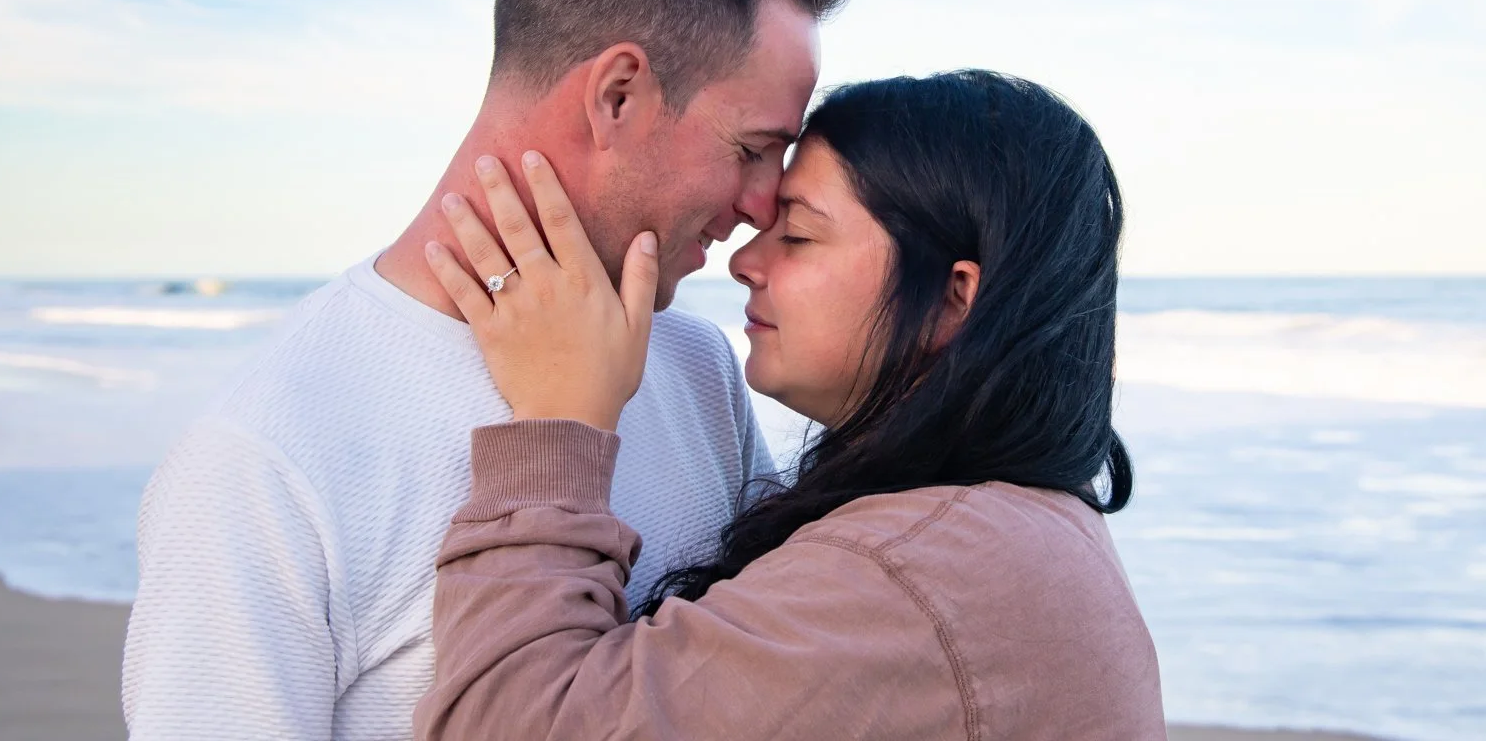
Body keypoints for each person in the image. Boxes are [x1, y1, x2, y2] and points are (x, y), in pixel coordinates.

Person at [121, 0, 852, 740]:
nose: (764, 203)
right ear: (618, 94)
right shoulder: (266, 455)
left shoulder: (696, 367)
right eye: (752, 147)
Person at [414, 70, 1167, 740]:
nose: (746, 260)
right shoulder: (1006, 530)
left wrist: (559, 420)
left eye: (799, 235)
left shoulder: (912, 573)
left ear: (952, 298)